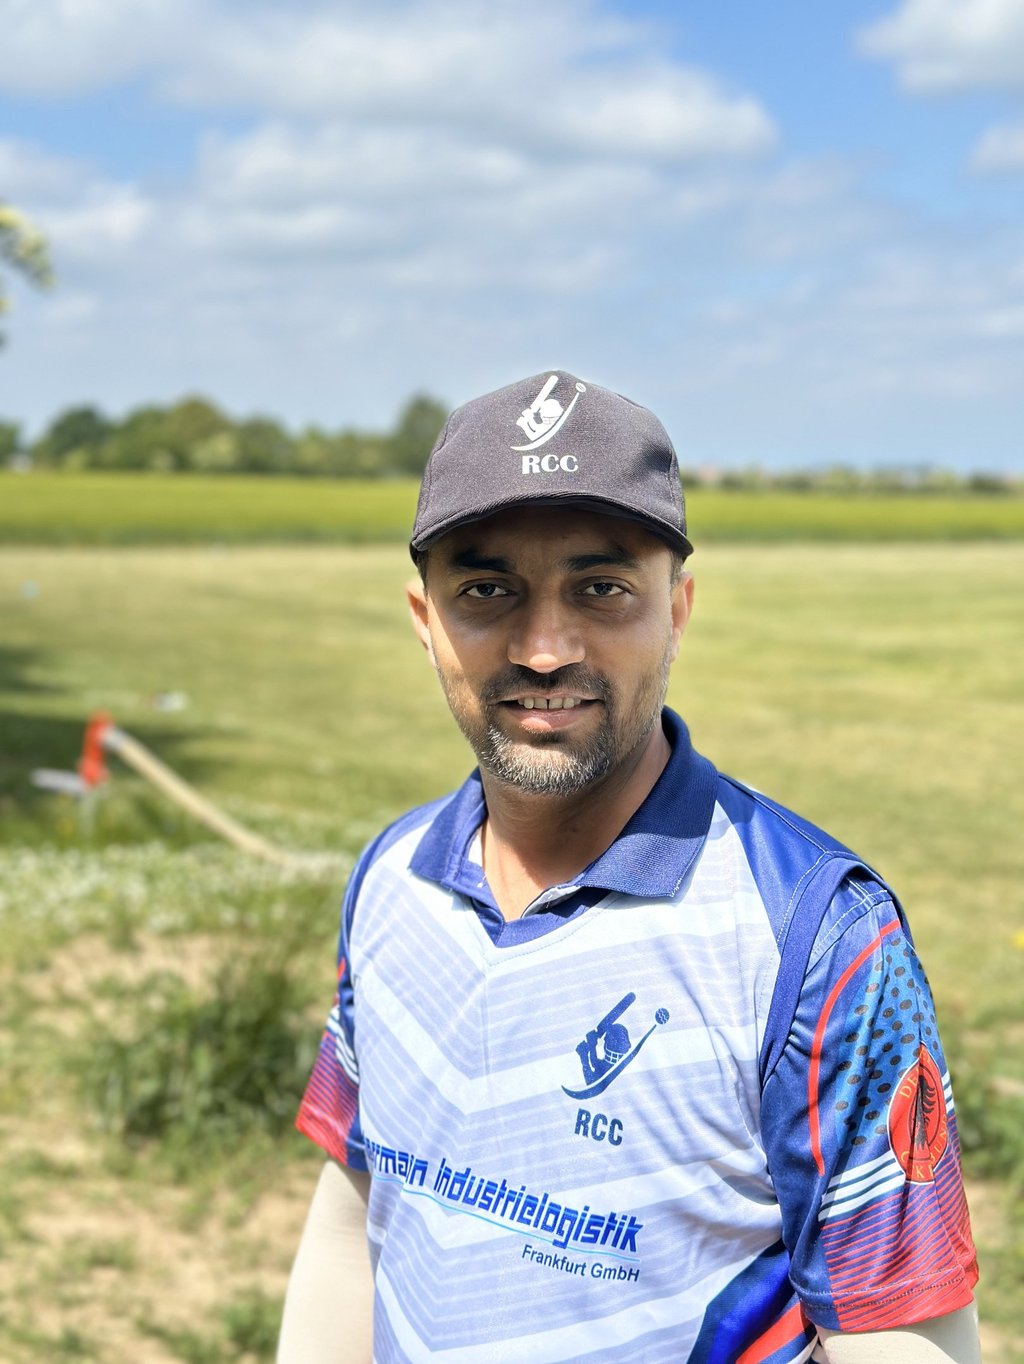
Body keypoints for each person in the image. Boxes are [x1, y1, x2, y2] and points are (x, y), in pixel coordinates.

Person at [278, 372, 980, 1363]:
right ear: (424, 617)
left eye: (601, 589)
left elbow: (901, 1335)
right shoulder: (392, 877)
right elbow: (357, 1208)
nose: (544, 649)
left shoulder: (819, 938)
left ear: (677, 610)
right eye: (487, 590)